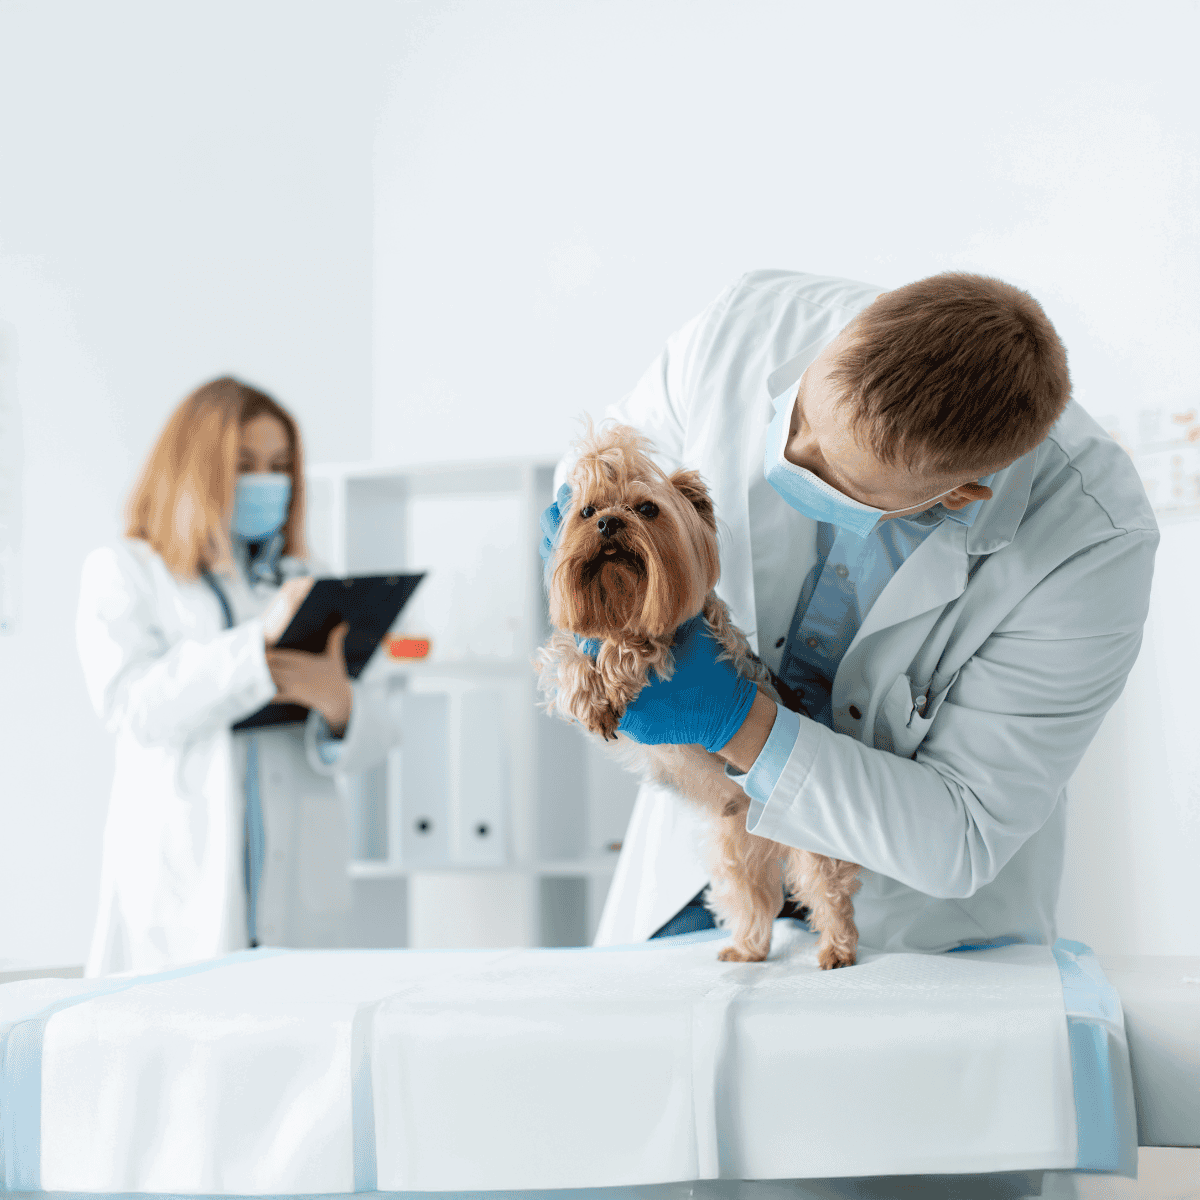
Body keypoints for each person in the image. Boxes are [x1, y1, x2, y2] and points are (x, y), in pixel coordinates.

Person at [541, 269, 1158, 953]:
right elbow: (593, 471)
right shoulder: (745, 329)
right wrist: (573, 533)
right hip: (706, 877)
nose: (788, 453)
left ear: (958, 495)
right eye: (801, 414)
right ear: (849, 334)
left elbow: (963, 829)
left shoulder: (1091, 544)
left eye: (828, 472)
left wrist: (738, 722)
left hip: (909, 914)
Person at [76, 377, 402, 977]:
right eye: (244, 464)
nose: (266, 483)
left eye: (280, 466)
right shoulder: (127, 572)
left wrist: (340, 707)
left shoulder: (309, 577)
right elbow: (132, 706)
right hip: (184, 882)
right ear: (196, 468)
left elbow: (378, 735)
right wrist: (257, 655)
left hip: (298, 885)